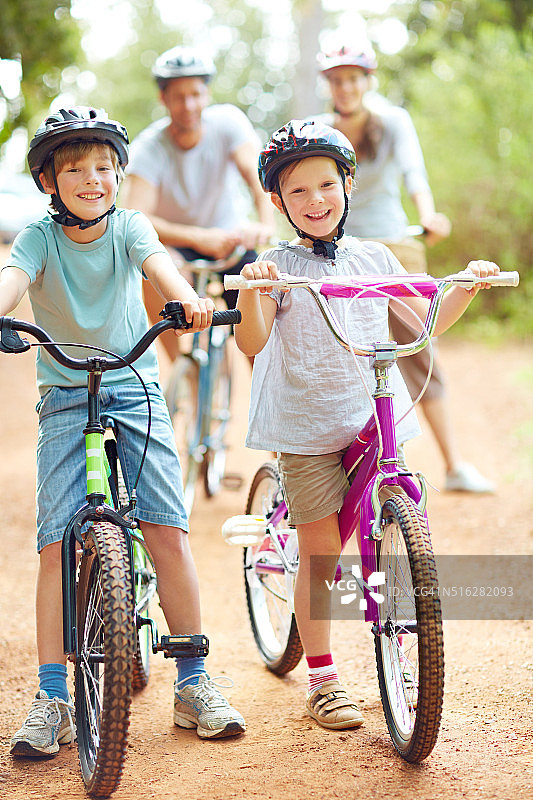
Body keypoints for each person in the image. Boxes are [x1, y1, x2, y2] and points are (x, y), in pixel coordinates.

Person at [233, 119, 499, 729]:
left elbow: (424, 320)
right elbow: (253, 337)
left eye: (326, 185)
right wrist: (252, 291)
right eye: (297, 192)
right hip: (305, 428)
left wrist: (467, 286)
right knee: (323, 551)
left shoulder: (373, 256)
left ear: (348, 185)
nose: (315, 200)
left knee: (390, 496)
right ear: (277, 201)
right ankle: (323, 678)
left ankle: (393, 598)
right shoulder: (276, 266)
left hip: (368, 410)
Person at [1, 106, 245, 758]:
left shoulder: (130, 226)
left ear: (118, 176)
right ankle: (53, 696)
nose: (92, 179)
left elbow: (157, 264)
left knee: (165, 527)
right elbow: (12, 279)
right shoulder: (39, 238)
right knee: (56, 544)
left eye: (105, 168)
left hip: (133, 385)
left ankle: (193, 679)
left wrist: (184, 299)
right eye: (75, 168)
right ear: (49, 180)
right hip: (64, 392)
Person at [315, 42, 494, 493]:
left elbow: (414, 172)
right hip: (341, 250)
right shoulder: (320, 130)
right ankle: (325, 466)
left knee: (418, 344)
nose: (346, 87)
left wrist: (428, 213)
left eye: (354, 77)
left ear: (367, 80)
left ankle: (453, 464)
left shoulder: (392, 121)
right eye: (337, 79)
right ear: (329, 85)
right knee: (332, 348)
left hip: (396, 245)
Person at [120, 45, 275, 363]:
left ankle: (260, 376)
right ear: (163, 99)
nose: (189, 104)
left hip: (229, 240)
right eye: (179, 96)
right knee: (151, 272)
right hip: (178, 246)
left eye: (196, 94)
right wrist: (200, 237)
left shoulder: (229, 122)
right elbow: (136, 217)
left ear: (207, 93)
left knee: (257, 296)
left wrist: (264, 223)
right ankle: (183, 369)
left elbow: (258, 176)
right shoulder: (149, 148)